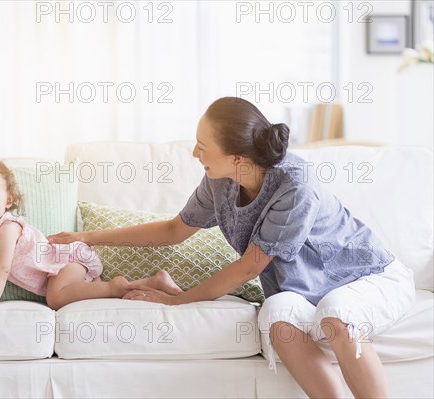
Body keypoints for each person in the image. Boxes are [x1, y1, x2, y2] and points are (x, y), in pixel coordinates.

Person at [47, 97, 416, 398]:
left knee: (337, 314)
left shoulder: (294, 185)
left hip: (367, 278)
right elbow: (175, 229)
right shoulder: (220, 181)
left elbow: (249, 268)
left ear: (238, 158)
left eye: (203, 146)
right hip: (307, 291)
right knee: (276, 314)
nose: (194, 152)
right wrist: (88, 237)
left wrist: (180, 299)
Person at [0, 159, 182, 310]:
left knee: (55, 298)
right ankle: (153, 282)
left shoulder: (7, 228)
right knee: (59, 293)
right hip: (54, 273)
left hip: (67, 260)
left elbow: (0, 269)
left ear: (8, 200)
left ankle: (117, 285)